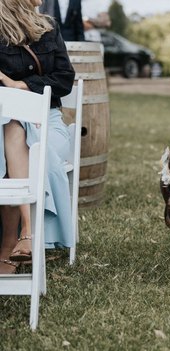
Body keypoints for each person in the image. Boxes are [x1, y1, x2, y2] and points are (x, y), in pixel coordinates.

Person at [0, 0, 75, 274]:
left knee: (30, 147)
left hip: (48, 119)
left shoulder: (48, 27)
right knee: (14, 129)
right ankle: (24, 235)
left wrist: (20, 84)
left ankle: (15, 239)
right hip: (4, 120)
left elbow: (65, 79)